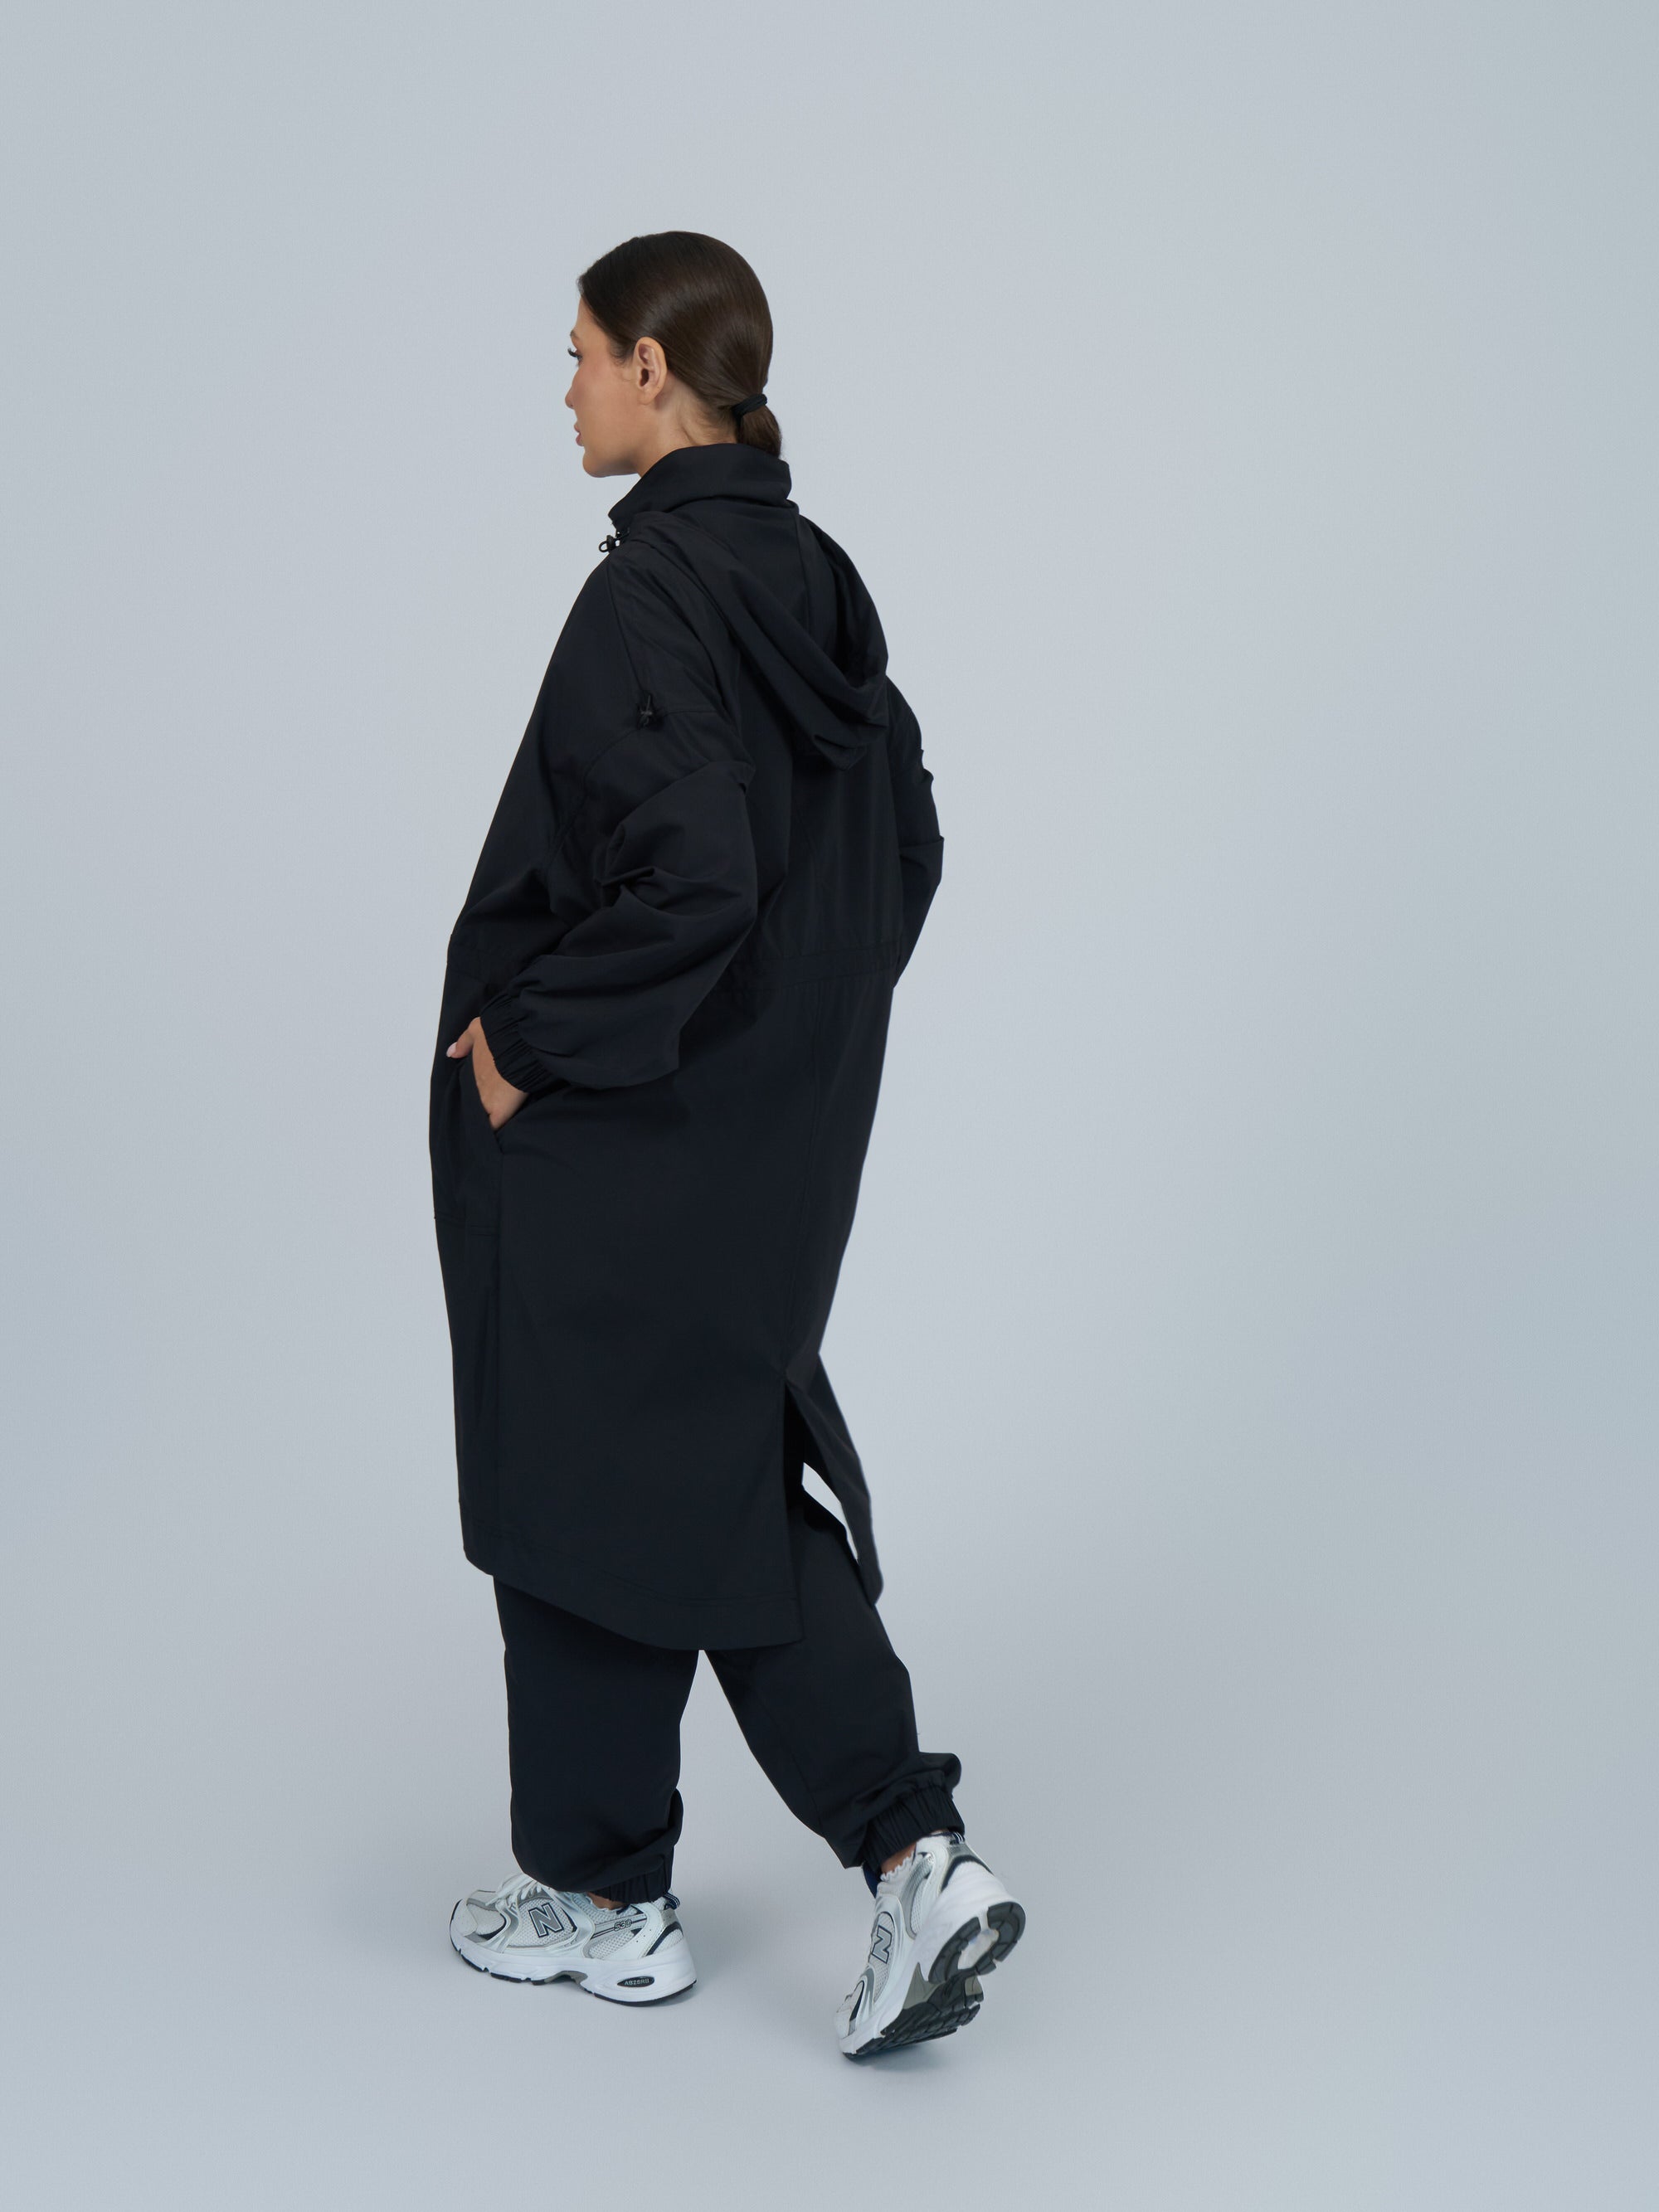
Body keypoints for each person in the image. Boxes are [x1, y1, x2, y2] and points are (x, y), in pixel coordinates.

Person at [431, 231, 1024, 2058]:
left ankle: (821, 1863)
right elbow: (904, 840)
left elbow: (696, 871)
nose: (566, 388)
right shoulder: (813, 575)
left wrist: (527, 1044)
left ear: (655, 370)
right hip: (759, 1139)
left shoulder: (652, 599)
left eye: (582, 353)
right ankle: (672, 1881)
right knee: (654, 1475)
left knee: (613, 1476)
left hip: (618, 1130)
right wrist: (796, 1041)